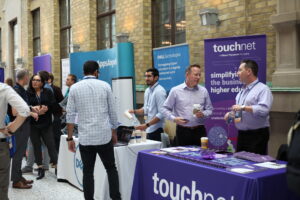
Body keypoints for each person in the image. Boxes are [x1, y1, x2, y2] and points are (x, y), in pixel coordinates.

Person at [66, 60, 121, 200]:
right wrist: (114, 132)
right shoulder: (105, 86)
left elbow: (70, 115)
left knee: (88, 172)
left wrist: (70, 138)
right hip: (104, 136)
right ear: (96, 72)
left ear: (83, 72)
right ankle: (116, 198)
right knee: (111, 169)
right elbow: (113, 112)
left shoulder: (74, 88)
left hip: (86, 138)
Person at [224, 59, 273, 155]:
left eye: (240, 70)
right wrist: (231, 115)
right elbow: (239, 113)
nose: (237, 73)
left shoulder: (263, 89)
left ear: (249, 71)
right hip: (242, 135)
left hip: (257, 135)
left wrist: (243, 107)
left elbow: (264, 110)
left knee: (255, 166)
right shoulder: (241, 92)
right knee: (241, 165)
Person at [161, 64, 213, 146]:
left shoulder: (203, 91)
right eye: (196, 75)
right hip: (183, 131)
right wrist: (174, 119)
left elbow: (210, 109)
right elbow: (164, 109)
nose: (198, 77)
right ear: (187, 75)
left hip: (199, 131)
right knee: (182, 157)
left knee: (200, 156)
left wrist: (204, 114)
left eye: (199, 75)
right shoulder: (175, 91)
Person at [0, 82, 30, 200]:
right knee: (2, 183)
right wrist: (11, 129)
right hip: (1, 141)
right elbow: (25, 110)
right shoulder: (3, 88)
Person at [10, 70, 38, 189]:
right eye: (29, 77)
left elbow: (23, 106)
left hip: (24, 125)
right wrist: (31, 113)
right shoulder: (16, 91)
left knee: (21, 152)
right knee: (18, 153)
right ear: (25, 77)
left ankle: (18, 176)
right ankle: (16, 181)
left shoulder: (21, 90)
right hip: (20, 125)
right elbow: (15, 111)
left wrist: (32, 108)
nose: (30, 80)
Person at [27, 74, 58, 180]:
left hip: (46, 123)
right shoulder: (28, 93)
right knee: (36, 145)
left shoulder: (47, 92)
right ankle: (40, 168)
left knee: (51, 145)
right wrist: (32, 108)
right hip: (33, 123)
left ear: (42, 82)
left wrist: (46, 108)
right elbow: (25, 105)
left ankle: (57, 167)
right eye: (33, 80)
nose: (34, 82)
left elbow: (53, 104)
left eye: (37, 80)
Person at [129, 68, 166, 141]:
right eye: (145, 76)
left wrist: (146, 125)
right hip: (148, 129)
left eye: (149, 76)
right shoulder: (147, 90)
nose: (146, 78)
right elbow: (145, 109)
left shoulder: (160, 91)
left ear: (156, 78)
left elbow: (161, 113)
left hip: (156, 130)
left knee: (154, 152)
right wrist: (134, 111)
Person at [48, 73, 64, 152]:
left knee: (56, 135)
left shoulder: (56, 89)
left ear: (50, 80)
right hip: (46, 117)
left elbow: (62, 102)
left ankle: (57, 154)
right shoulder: (41, 89)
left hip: (56, 116)